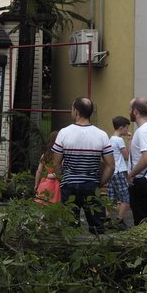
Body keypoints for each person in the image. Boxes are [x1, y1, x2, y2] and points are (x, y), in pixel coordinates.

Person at [51, 97, 114, 233]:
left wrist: (63, 179)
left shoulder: (64, 133)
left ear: (76, 111)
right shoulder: (102, 135)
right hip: (91, 186)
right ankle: (97, 250)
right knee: (97, 226)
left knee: (70, 226)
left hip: (69, 186)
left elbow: (56, 163)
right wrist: (100, 183)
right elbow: (111, 166)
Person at [127, 97, 147, 225]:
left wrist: (131, 175)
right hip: (145, 182)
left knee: (141, 223)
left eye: (129, 109)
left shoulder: (144, 131)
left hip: (141, 183)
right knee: (143, 219)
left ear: (135, 111)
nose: (128, 111)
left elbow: (146, 158)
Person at [106, 116, 131, 230]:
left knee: (111, 198)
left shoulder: (110, 139)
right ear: (121, 128)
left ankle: (107, 220)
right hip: (119, 172)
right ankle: (119, 221)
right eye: (126, 128)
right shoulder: (119, 140)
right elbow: (127, 157)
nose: (127, 130)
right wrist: (130, 141)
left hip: (112, 172)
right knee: (125, 198)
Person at [34, 131, 61, 204]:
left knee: (43, 208)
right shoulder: (61, 156)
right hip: (56, 185)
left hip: (44, 183)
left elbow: (39, 171)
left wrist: (36, 185)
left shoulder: (44, 156)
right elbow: (62, 172)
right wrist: (55, 175)